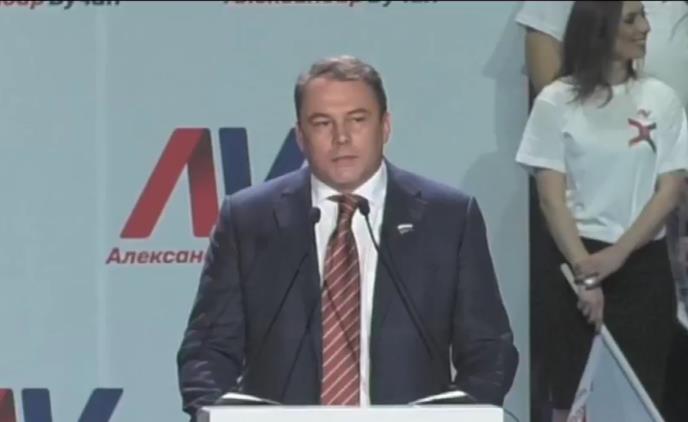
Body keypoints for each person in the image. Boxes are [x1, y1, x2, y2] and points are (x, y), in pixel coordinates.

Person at [176, 55, 519, 420]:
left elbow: (488, 350)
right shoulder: (248, 219)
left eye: (357, 120)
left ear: (385, 126)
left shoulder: (448, 218)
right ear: (300, 136)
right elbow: (207, 351)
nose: (341, 138)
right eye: (323, 123)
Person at [515, 2, 688, 422]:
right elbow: (551, 198)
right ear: (599, 28)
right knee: (570, 402)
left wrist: (617, 255)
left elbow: (669, 189)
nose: (645, 28)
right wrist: (586, 272)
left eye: (643, 16)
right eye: (631, 19)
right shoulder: (556, 101)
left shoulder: (661, 98)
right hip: (573, 269)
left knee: (639, 402)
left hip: (642, 269)